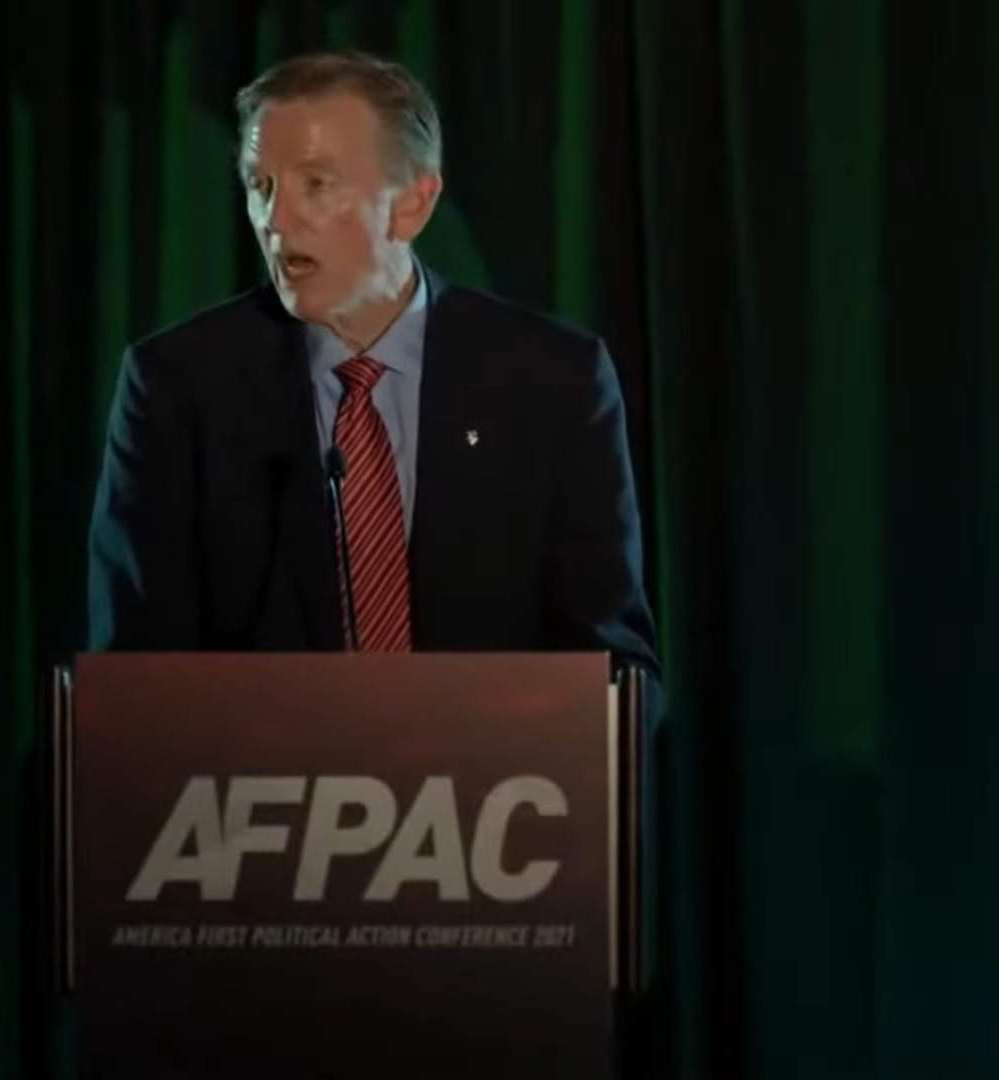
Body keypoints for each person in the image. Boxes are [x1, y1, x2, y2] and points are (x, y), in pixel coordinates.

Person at [85, 50, 660, 679]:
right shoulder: (175, 385)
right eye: (261, 186)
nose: (275, 220)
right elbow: (134, 680)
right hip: (259, 774)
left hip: (494, 773)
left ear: (412, 204)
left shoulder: (554, 380)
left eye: (317, 184)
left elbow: (612, 666)